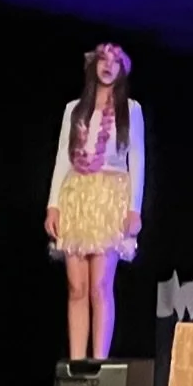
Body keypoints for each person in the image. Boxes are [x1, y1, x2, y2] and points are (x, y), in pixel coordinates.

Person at [44, 42, 145, 360]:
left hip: (109, 195)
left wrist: (134, 208)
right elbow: (63, 155)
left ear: (122, 70)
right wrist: (53, 204)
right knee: (77, 287)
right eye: (102, 59)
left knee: (100, 284)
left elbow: (137, 158)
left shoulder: (131, 109)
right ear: (93, 66)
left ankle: (98, 363)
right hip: (77, 195)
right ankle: (76, 364)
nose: (107, 65)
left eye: (114, 61)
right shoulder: (75, 109)